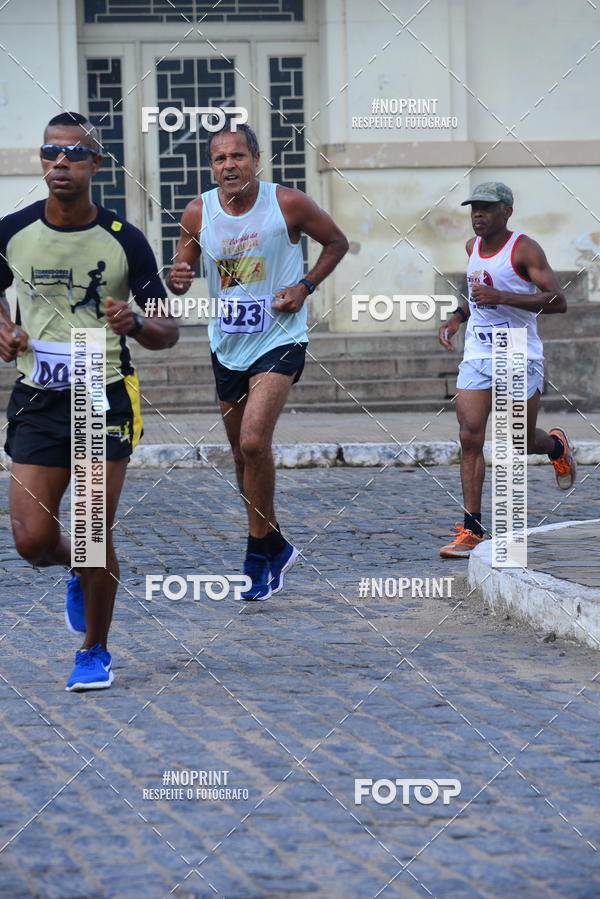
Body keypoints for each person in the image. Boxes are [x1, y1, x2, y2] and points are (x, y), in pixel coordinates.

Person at [0, 112, 178, 689]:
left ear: (95, 164)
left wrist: (136, 324)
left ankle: (94, 650)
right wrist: (4, 329)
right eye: (50, 152)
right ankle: (79, 568)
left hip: (102, 396)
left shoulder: (126, 240)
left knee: (92, 528)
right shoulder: (12, 231)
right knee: (31, 540)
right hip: (37, 398)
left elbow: (168, 329)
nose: (61, 163)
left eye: (74, 153)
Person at [167, 122, 348, 599]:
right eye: (220, 159)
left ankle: (254, 552)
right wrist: (177, 278)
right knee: (240, 455)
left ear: (256, 159)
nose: (229, 165)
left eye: (238, 156)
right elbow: (181, 273)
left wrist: (304, 286)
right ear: (212, 167)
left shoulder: (287, 203)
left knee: (252, 441)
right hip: (227, 344)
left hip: (279, 338)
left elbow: (337, 242)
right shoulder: (198, 212)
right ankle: (274, 542)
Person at [438, 181, 576, 559]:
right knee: (469, 435)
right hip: (479, 351)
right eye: (474, 208)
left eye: (486, 208)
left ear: (507, 212)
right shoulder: (472, 247)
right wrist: (456, 318)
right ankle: (472, 529)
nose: (477, 215)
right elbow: (476, 293)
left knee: (519, 440)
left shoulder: (524, 248)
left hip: (518, 349)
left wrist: (502, 297)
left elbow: (558, 300)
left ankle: (556, 446)